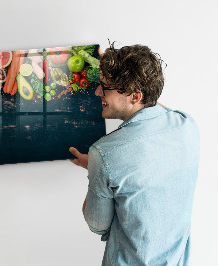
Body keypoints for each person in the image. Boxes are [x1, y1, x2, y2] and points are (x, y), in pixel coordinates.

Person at [69, 44, 199, 265]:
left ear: (135, 95)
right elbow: (152, 107)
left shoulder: (104, 153)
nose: (97, 92)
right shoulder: (187, 125)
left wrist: (97, 169)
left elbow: (97, 225)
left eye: (105, 87)